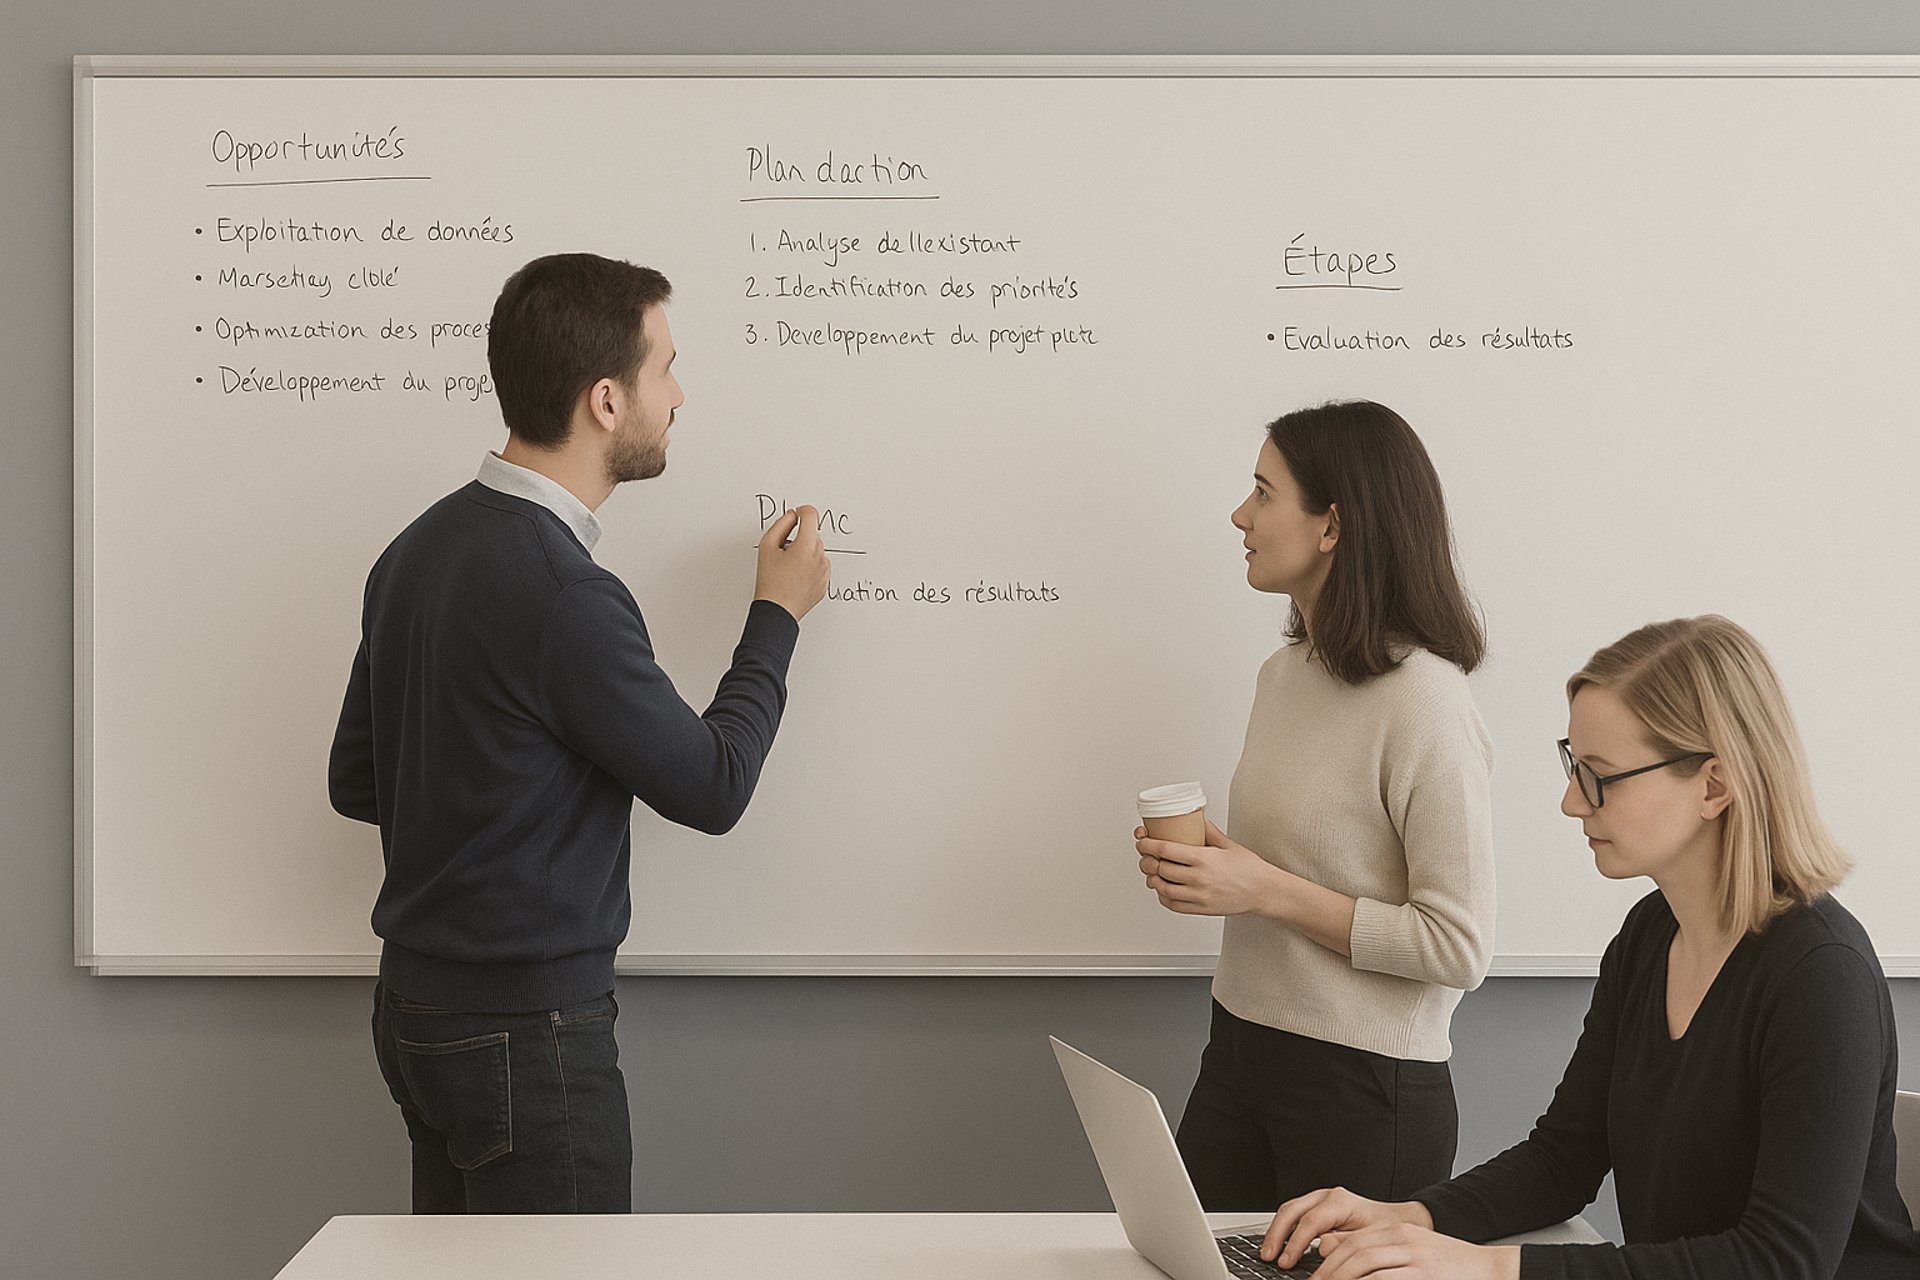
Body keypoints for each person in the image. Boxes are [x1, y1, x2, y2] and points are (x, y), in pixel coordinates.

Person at [326, 252, 830, 1214]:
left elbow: (360, 781)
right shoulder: (567, 597)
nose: (679, 395)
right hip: (526, 1032)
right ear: (606, 400)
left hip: (415, 1016)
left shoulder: (416, 550)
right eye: (665, 368)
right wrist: (778, 614)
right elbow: (714, 787)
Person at [1257, 615, 1920, 1280]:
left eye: (1601, 774)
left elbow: (1781, 1262)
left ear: (1714, 786)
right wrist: (1407, 1219)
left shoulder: (1821, 976)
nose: (1573, 802)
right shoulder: (1649, 936)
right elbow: (1563, 1158)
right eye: (1574, 764)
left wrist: (1489, 1270)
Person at [1135, 399, 1495, 1211]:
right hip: (1236, 1049)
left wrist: (1262, 891)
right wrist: (1220, 871)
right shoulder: (1285, 675)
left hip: (1363, 1092)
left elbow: (1458, 947)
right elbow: (1298, 868)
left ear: (1332, 526)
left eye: (1263, 493)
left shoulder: (1427, 703)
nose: (1240, 514)